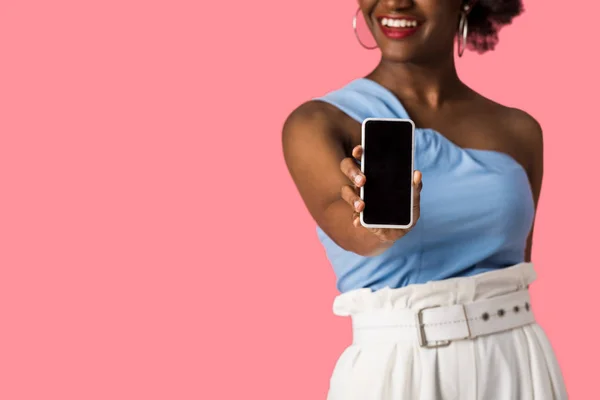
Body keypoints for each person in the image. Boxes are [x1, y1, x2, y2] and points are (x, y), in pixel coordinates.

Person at [282, 0, 568, 399]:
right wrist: (379, 228)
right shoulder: (319, 122)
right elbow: (349, 229)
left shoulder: (520, 130)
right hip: (400, 370)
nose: (395, 2)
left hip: (517, 361)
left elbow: (516, 262)